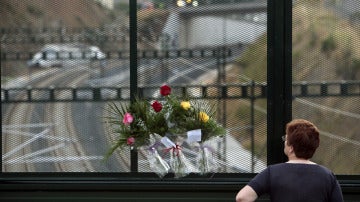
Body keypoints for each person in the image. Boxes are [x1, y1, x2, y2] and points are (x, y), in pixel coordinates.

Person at [236, 119, 344, 202]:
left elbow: (242, 197)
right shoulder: (327, 176)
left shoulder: (272, 173)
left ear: (291, 148)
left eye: (286, 139)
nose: (284, 142)